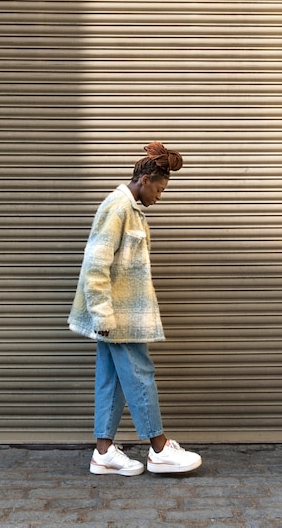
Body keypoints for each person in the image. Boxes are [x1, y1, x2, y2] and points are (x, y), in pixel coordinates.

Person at [68, 142, 202, 476]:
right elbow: (95, 266)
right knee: (140, 372)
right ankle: (159, 448)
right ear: (145, 180)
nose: (161, 195)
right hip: (116, 316)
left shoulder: (130, 208)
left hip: (117, 314)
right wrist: (103, 315)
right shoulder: (118, 208)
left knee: (111, 379)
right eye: (160, 188)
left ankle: (103, 452)